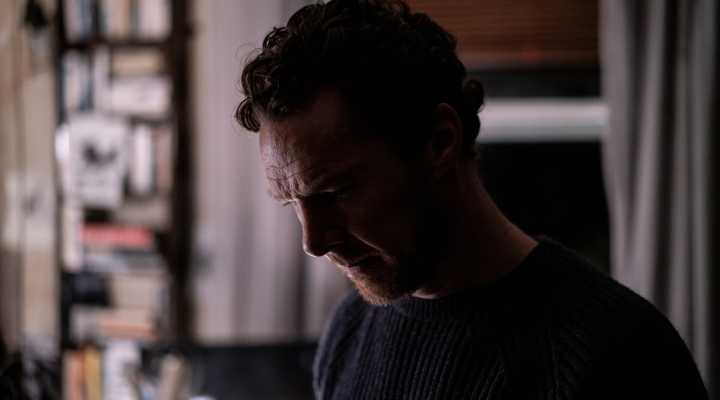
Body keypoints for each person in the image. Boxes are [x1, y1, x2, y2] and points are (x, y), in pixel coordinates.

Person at [235, 0, 708, 398]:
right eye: (292, 203)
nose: (314, 242)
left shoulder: (614, 354)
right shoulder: (350, 331)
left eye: (336, 191)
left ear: (440, 141)